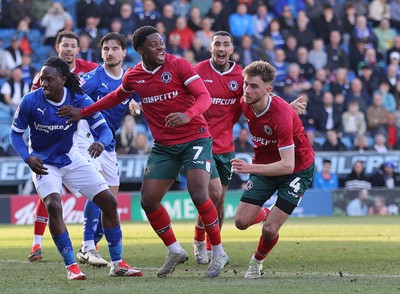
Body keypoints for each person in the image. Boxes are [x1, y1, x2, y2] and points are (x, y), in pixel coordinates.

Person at [58, 26, 229, 278]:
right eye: (153, 44)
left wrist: (187, 114)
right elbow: (115, 97)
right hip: (164, 146)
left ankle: (218, 251)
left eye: (161, 43)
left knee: (199, 193)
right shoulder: (134, 76)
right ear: (140, 50)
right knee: (148, 201)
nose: (161, 47)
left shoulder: (179, 65)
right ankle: (174, 249)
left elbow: (204, 97)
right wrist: (83, 112)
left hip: (195, 137)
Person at [10, 57, 142, 280]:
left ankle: (118, 263)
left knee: (109, 201)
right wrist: (27, 156)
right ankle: (71, 266)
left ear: (63, 79)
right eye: (42, 79)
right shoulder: (30, 101)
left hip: (72, 159)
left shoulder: (79, 99)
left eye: (49, 79)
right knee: (53, 204)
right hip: (44, 163)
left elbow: (104, 129)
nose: (43, 83)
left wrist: (101, 142)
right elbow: (15, 134)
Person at [191, 31, 306, 265]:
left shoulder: (241, 76)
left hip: (225, 146)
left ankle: (214, 248)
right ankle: (199, 241)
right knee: (210, 194)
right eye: (217, 44)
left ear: (232, 49)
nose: (221, 49)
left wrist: (287, 108)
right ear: (210, 47)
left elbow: (262, 96)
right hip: (200, 141)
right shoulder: (197, 71)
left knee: (220, 201)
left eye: (226, 45)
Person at [231, 60, 315, 279]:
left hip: (297, 169)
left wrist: (250, 167)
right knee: (240, 222)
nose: (247, 90)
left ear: (268, 90)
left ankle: (256, 262)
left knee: (269, 229)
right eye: (246, 84)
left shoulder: (281, 116)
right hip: (266, 164)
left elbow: (287, 165)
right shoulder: (245, 102)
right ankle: (269, 212)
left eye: (254, 86)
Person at [28, 30, 98, 263]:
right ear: (58, 48)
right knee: (50, 189)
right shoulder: (45, 74)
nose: (68, 49)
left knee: (100, 187)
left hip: (83, 134)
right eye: (64, 45)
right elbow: (33, 103)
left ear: (79, 49)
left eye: (72, 45)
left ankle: (89, 244)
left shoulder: (90, 70)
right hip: (52, 135)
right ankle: (37, 243)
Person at [74, 32, 139, 267]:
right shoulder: (92, 78)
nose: (109, 53)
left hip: (108, 144)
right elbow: (72, 99)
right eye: (105, 49)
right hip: (86, 138)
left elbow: (139, 98)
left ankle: (92, 243)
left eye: (114, 49)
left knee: (110, 198)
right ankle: (88, 246)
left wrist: (135, 103)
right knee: (99, 189)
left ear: (124, 52)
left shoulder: (130, 80)